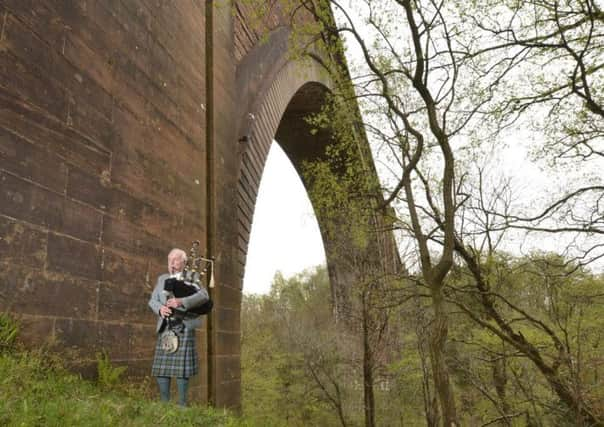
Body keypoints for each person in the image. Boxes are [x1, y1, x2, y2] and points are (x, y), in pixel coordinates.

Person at [148, 248, 209, 406]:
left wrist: (181, 301)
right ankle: (164, 404)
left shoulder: (192, 277)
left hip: (184, 326)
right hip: (166, 327)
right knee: (162, 368)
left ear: (184, 262)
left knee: (181, 369)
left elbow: (204, 296)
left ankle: (182, 405)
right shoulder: (162, 279)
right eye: (169, 260)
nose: (172, 263)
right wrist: (160, 309)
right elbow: (153, 300)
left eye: (175, 260)